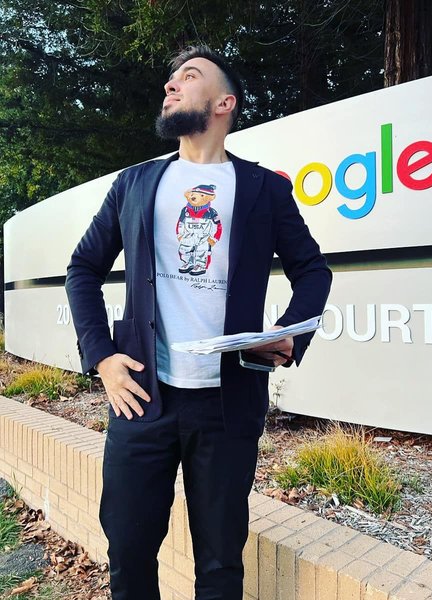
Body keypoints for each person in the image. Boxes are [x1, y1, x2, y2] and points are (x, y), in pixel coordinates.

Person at [65, 45, 332, 600]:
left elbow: (313, 271)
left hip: (228, 403)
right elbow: (83, 268)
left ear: (224, 103)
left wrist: (290, 333)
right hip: (141, 396)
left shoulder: (264, 189)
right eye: (172, 78)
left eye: (189, 76)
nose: (171, 85)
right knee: (129, 552)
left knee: (219, 562)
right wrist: (102, 357)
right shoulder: (135, 184)